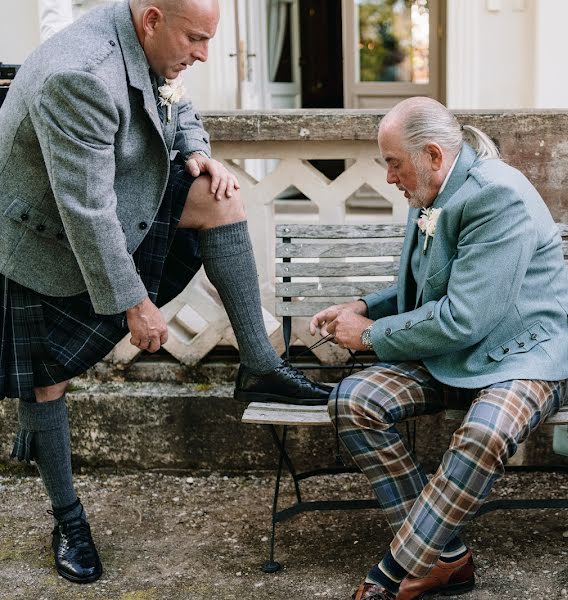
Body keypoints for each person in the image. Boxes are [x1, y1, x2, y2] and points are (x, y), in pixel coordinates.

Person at [0, 0, 330, 584]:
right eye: (196, 39)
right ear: (152, 20)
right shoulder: (79, 74)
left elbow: (178, 108)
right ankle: (68, 518)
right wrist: (135, 302)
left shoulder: (147, 41)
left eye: (210, 40)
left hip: (120, 197)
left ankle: (259, 362)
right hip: (43, 240)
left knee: (220, 197)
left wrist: (196, 151)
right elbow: (87, 213)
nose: (203, 54)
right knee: (46, 381)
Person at [309, 96, 568, 600]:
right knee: (354, 402)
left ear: (432, 155)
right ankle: (448, 559)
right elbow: (429, 286)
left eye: (394, 163)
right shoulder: (433, 192)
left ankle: (398, 568)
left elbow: (463, 317)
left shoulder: (496, 196)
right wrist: (364, 307)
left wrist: (369, 336)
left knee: (483, 433)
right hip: (457, 350)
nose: (390, 177)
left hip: (526, 353)